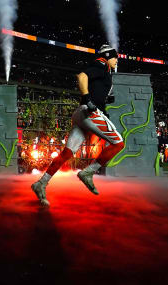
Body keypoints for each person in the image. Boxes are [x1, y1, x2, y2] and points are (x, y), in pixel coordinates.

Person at [31, 44, 123, 207]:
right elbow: (82, 77)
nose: (117, 60)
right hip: (89, 112)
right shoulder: (101, 64)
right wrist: (88, 98)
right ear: (108, 56)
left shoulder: (104, 71)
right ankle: (88, 173)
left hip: (81, 114)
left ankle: (41, 183)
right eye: (115, 57)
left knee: (67, 153)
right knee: (119, 143)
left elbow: (95, 87)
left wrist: (101, 102)